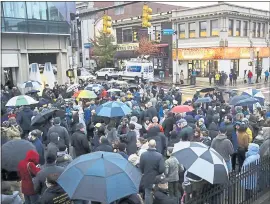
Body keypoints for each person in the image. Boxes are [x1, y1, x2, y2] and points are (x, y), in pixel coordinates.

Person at [139, 140, 165, 204]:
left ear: (148, 145)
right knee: (156, 194)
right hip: (156, 178)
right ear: (155, 145)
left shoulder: (143, 155)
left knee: (147, 194)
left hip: (147, 177)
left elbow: (141, 167)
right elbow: (162, 169)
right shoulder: (159, 156)